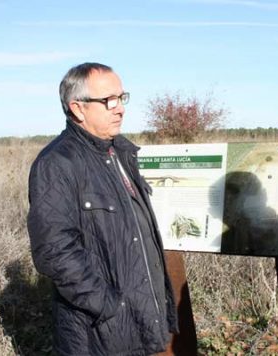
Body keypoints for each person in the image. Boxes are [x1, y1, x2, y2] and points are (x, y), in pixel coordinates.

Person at [27, 62, 178, 355]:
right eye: (109, 100)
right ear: (78, 108)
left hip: (138, 321)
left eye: (122, 98)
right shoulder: (57, 164)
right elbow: (54, 251)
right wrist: (109, 305)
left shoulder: (120, 152)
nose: (119, 108)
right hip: (97, 332)